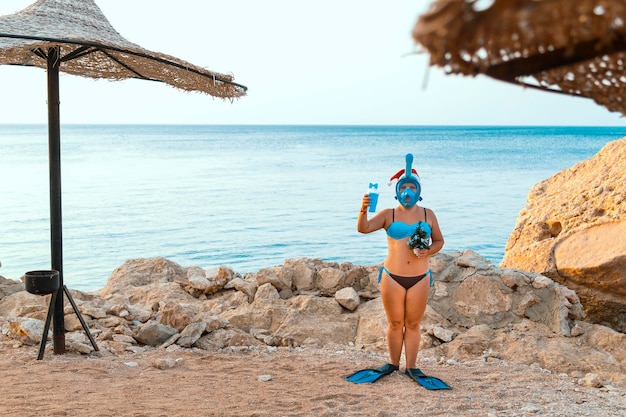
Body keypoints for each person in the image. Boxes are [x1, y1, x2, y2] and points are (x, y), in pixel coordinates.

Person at [350, 153, 445, 386]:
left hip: (420, 278)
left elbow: (439, 241)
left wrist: (428, 252)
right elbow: (363, 229)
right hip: (392, 277)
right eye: (404, 187)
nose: (408, 191)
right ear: (397, 191)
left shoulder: (428, 214)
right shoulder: (388, 215)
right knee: (395, 323)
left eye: (412, 187)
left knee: (413, 324)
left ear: (419, 191)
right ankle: (392, 363)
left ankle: (411, 367)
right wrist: (363, 210)